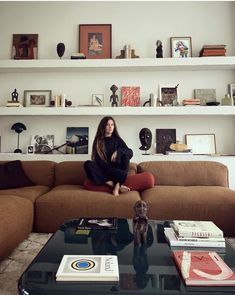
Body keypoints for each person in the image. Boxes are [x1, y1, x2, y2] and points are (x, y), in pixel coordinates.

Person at [84, 116, 133, 196]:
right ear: (103, 126)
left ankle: (116, 188)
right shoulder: (98, 141)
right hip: (104, 170)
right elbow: (98, 161)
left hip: (116, 170)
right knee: (87, 164)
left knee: (125, 156)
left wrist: (118, 152)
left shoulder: (118, 140)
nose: (110, 127)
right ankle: (113, 184)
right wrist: (112, 172)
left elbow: (130, 152)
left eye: (112, 124)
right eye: (107, 125)